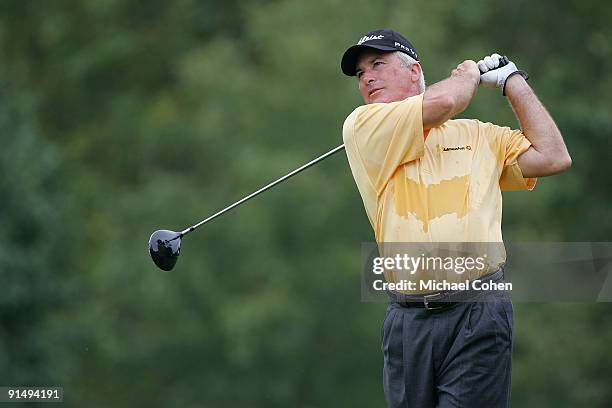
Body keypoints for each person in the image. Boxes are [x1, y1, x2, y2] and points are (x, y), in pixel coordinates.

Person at [340, 29, 571, 408]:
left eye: (377, 64)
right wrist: (468, 74)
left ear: (414, 72)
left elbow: (553, 156)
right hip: (407, 320)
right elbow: (447, 99)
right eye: (360, 72)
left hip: (478, 313)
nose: (367, 77)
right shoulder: (364, 125)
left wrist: (513, 81)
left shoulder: (480, 136)